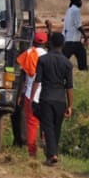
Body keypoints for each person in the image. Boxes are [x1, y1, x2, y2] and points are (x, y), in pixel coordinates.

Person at [31, 32, 73, 167]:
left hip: (46, 97)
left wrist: (32, 99)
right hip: (61, 100)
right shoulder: (67, 63)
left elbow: (37, 82)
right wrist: (70, 105)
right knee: (56, 128)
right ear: (63, 44)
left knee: (47, 127)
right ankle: (53, 153)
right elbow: (69, 87)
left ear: (50, 43)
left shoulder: (43, 60)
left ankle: (52, 155)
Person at [16, 32, 48, 158]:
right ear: (45, 42)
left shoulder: (27, 54)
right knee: (46, 123)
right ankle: (46, 142)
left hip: (30, 94)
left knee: (31, 125)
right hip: (45, 95)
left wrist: (19, 95)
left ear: (33, 40)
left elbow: (22, 78)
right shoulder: (47, 56)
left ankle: (32, 153)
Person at [63, 0, 88, 71]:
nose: (81, 2)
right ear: (75, 1)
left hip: (68, 39)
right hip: (74, 40)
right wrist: (85, 36)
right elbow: (78, 25)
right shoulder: (76, 10)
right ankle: (83, 68)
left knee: (64, 57)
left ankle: (59, 68)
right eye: (79, 0)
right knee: (82, 55)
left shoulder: (69, 10)